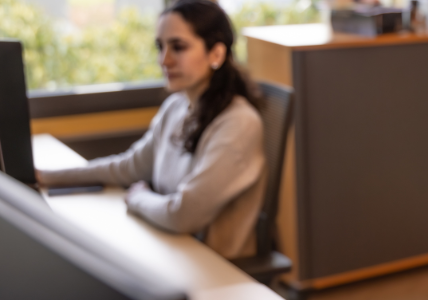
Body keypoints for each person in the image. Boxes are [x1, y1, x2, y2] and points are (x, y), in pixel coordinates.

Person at [37, 0, 266, 259]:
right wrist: (48, 177)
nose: (164, 60)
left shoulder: (239, 123)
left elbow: (183, 215)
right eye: (161, 46)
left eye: (178, 47)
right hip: (171, 248)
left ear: (216, 54)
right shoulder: (177, 106)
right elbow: (128, 167)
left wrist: (138, 198)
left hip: (214, 269)